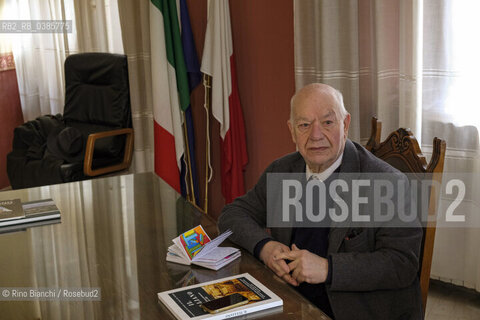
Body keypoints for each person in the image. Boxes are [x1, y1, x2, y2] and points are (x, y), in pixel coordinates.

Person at [218, 83, 423, 319]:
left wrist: (328, 269)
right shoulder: (282, 170)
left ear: (345, 125)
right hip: (289, 299)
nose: (315, 136)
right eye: (304, 125)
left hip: (355, 308)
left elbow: (402, 263)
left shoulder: (387, 182)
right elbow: (233, 214)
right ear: (292, 131)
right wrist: (266, 247)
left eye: (327, 122)